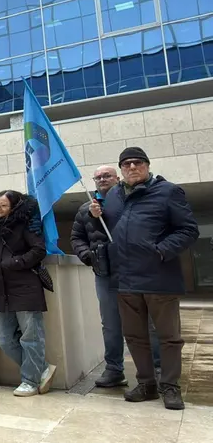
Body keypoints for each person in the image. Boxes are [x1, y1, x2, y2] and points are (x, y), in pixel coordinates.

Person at [90, 147, 199, 410]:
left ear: (147, 165)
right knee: (135, 337)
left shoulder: (168, 191)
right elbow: (112, 231)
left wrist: (161, 251)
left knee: (168, 337)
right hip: (125, 280)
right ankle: (147, 384)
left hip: (159, 278)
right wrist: (97, 218)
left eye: (137, 162)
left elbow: (188, 230)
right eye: (126, 164)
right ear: (121, 169)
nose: (132, 167)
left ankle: (170, 387)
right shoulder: (114, 195)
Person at [71, 165, 162, 388]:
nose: (102, 179)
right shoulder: (86, 209)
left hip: (135, 271)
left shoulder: (131, 201)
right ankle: (114, 369)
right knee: (110, 324)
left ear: (117, 178)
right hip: (105, 273)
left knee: (146, 321)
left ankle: (157, 368)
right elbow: (77, 237)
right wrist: (88, 256)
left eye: (107, 176)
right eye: (98, 177)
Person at [0, 191, 55, 397]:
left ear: (14, 208)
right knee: (4, 337)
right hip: (1, 289)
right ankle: (41, 368)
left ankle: (30, 380)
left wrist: (14, 263)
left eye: (4, 206)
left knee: (31, 337)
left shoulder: (26, 224)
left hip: (25, 287)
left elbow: (38, 250)